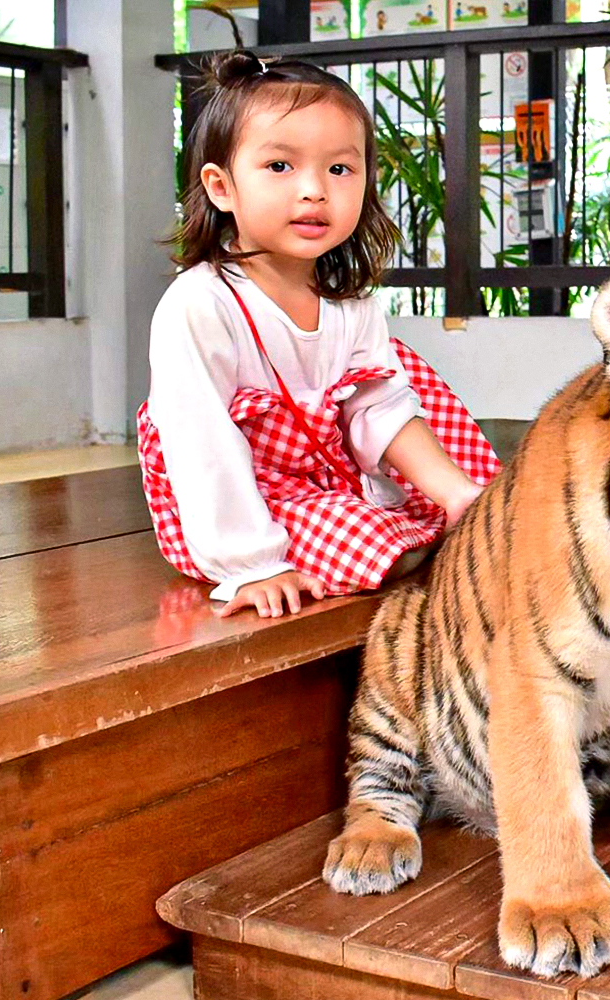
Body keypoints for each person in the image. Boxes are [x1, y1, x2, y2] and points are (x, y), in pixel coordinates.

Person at [138, 51, 500, 619]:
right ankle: (352, 543)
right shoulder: (199, 304)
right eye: (280, 166)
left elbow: (378, 407)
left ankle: (434, 515)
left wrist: (457, 495)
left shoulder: (348, 302)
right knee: (385, 548)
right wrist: (253, 565)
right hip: (245, 498)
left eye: (339, 169)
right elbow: (201, 443)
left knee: (409, 391)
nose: (314, 191)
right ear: (221, 187)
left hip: (330, 474)